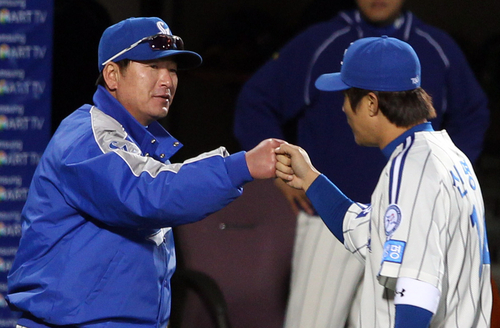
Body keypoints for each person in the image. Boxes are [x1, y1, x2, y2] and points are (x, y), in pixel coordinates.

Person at [6, 17, 282, 328]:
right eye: (152, 67)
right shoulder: (86, 136)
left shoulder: (139, 145)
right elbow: (148, 192)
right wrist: (240, 166)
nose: (167, 80)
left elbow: (161, 180)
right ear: (112, 74)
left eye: (173, 70)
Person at [233, 0, 490, 326]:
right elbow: (367, 230)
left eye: (346, 97)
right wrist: (311, 180)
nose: (342, 109)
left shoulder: (412, 172)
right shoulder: (448, 157)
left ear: (371, 104)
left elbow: (418, 292)